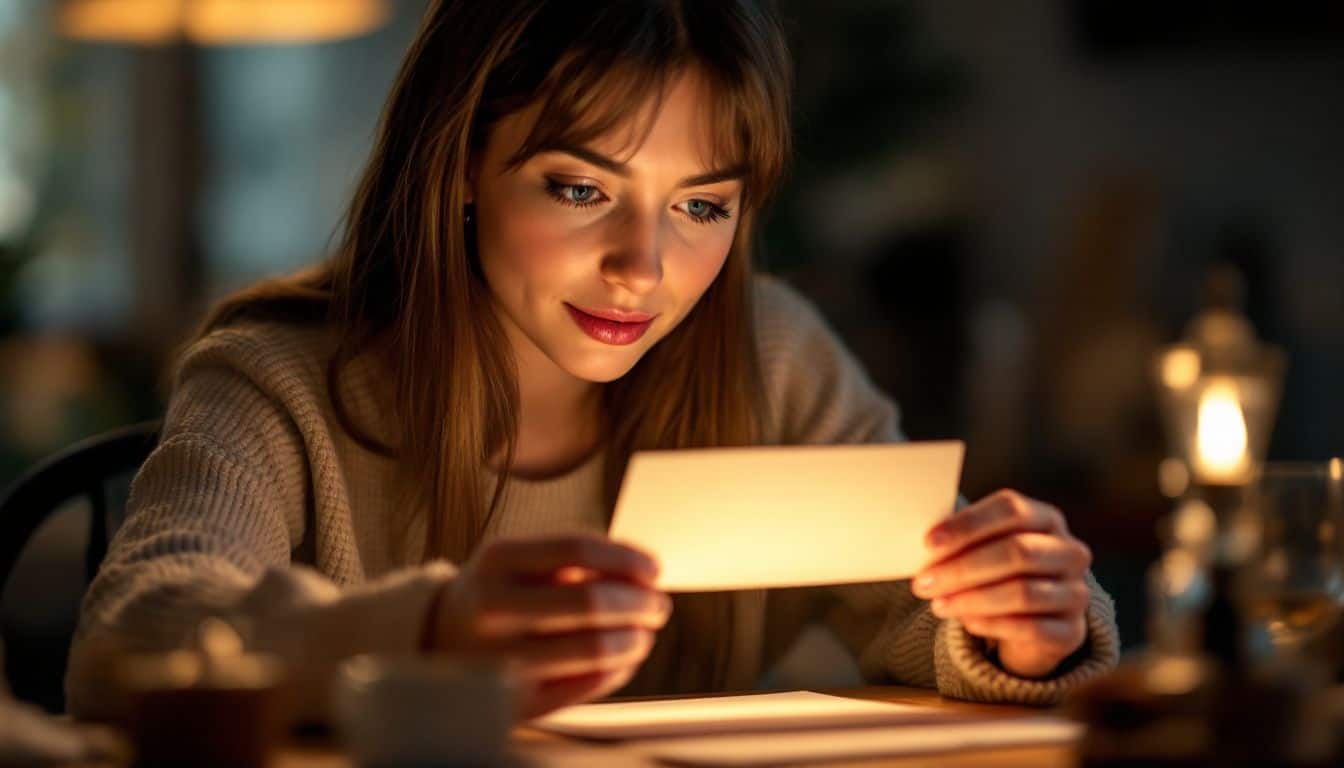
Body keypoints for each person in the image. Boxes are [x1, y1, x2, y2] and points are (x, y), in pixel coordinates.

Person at [68, 0, 1118, 722]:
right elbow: (125, 642)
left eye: (701, 206)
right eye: (580, 188)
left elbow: (925, 608)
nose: (642, 268)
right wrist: (429, 627)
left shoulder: (774, 351)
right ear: (463, 160)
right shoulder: (279, 381)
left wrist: (1026, 629)